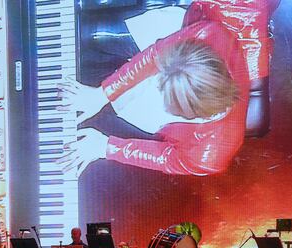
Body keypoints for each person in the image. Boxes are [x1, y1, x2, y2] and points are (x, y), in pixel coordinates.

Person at [55, 1, 278, 176]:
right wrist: (100, 95)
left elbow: (165, 157)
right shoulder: (210, 35)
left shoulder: (209, 156)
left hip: (165, 115)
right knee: (93, 36)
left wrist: (105, 147)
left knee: (97, 118)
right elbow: (155, 56)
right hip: (177, 36)